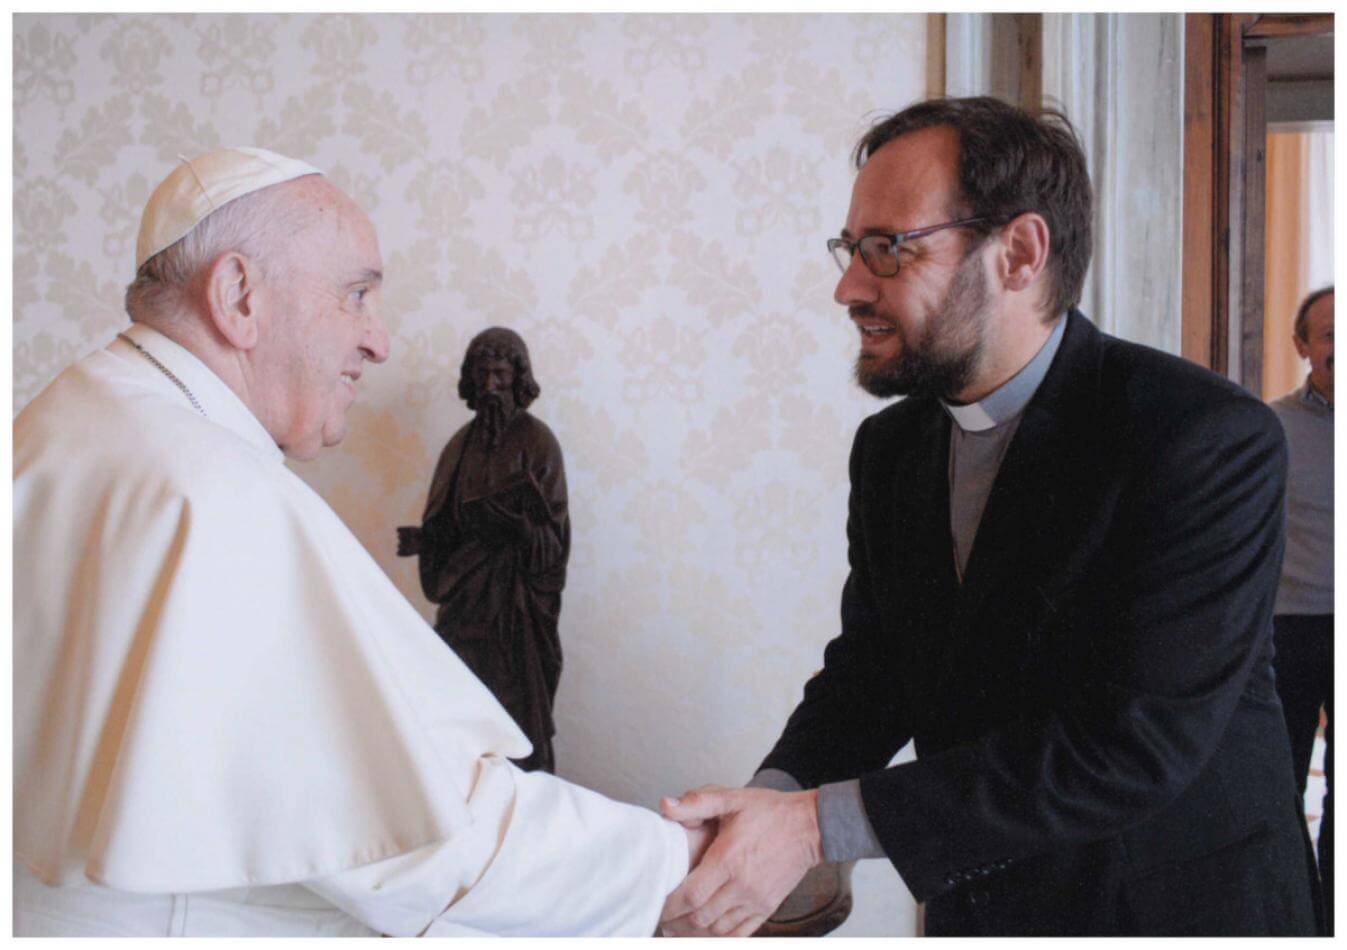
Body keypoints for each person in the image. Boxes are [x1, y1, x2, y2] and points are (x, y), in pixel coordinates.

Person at [658, 97, 1318, 937]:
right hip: (982, 908)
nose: (847, 287)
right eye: (851, 249)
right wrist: (768, 806)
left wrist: (815, 828)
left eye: (886, 249)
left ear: (1018, 253)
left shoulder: (1204, 437)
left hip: (1174, 906)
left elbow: (1133, 744)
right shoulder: (890, 450)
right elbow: (874, 673)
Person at [13, 147, 705, 937]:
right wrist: (677, 864)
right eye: (356, 296)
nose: (378, 342)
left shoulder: (58, 426)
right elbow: (423, 837)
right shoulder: (211, 491)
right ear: (239, 296)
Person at [397, 327, 569, 774]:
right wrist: (425, 539)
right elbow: (446, 522)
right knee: (456, 710)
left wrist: (516, 526)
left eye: (501, 375)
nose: (492, 386)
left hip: (517, 615)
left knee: (519, 722)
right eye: (483, 375)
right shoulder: (459, 446)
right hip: (466, 604)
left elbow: (553, 543)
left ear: (519, 378)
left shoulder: (538, 443)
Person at [1270, 286, 1334, 932]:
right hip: (1288, 630)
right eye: (1327, 334)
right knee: (1281, 783)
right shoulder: (1270, 426)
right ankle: (1292, 920)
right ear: (1301, 346)